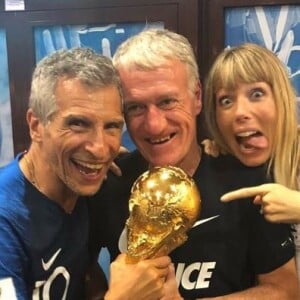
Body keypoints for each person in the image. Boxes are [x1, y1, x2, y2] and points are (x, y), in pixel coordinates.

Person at [89, 29, 299, 299]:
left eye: (167, 101)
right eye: (136, 107)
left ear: (197, 96)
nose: (154, 124)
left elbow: (285, 290)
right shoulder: (110, 181)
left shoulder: (247, 179)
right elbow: (82, 270)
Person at [0, 47, 178, 300]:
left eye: (112, 127)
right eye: (78, 124)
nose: (99, 148)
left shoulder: (82, 185)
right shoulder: (6, 219)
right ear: (36, 126)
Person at [202, 43, 300, 280]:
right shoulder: (219, 161)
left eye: (256, 94)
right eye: (226, 101)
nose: (240, 112)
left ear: (282, 98)